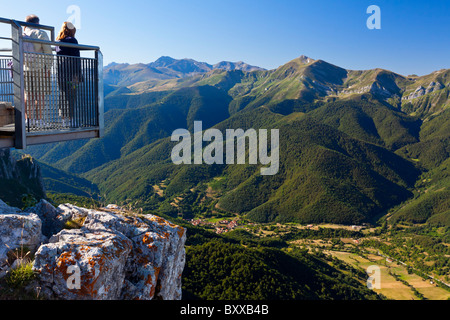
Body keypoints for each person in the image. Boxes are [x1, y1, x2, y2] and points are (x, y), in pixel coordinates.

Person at [23, 14, 53, 129]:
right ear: (37, 23)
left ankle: (28, 120)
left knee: (28, 94)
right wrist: (48, 68)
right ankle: (39, 120)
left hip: (26, 68)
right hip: (40, 68)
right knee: (40, 95)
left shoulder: (22, 34)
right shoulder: (40, 33)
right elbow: (48, 52)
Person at [56, 21, 82, 128]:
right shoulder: (72, 40)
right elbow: (76, 59)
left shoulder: (58, 41)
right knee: (71, 97)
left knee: (62, 96)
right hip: (72, 75)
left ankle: (64, 120)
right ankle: (71, 121)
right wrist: (78, 75)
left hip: (61, 75)